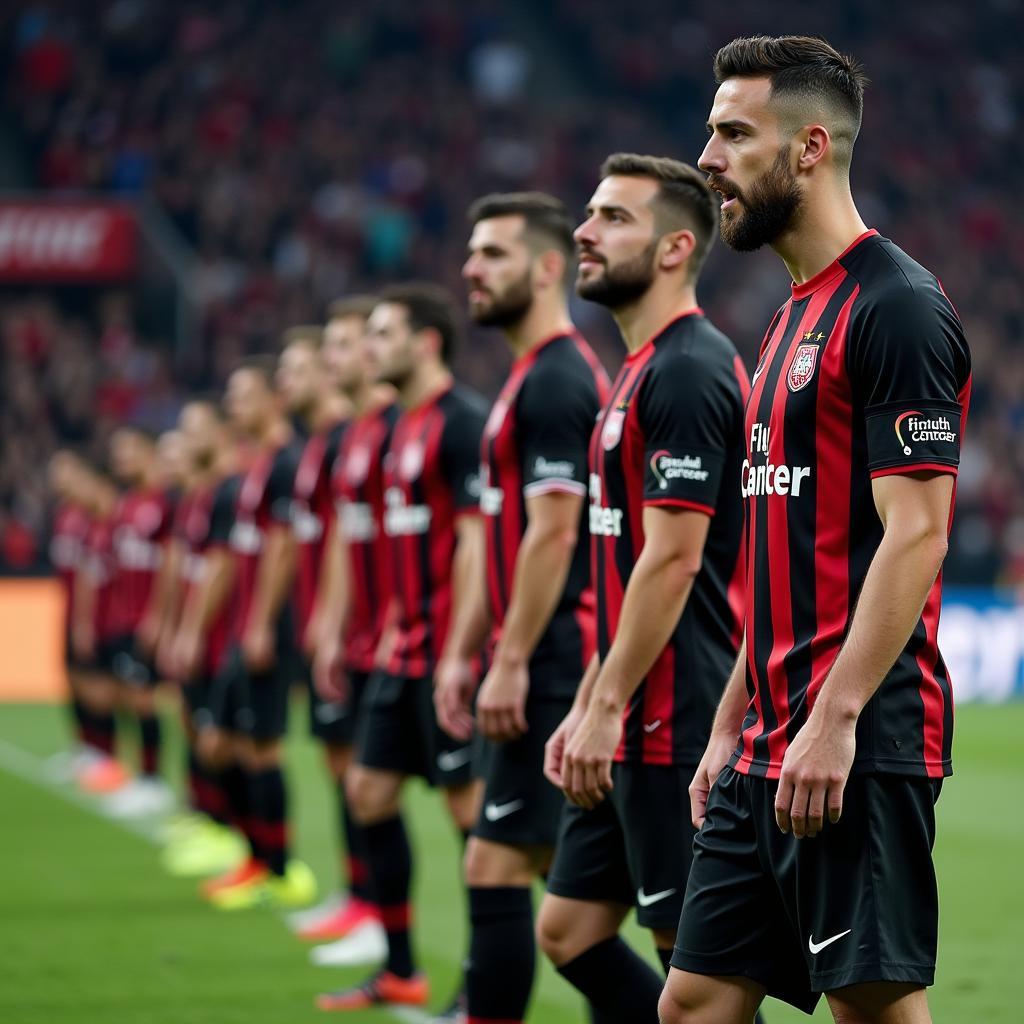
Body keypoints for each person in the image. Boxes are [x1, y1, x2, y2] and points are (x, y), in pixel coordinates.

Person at [660, 36, 972, 1024]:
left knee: (872, 1008)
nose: (706, 157)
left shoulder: (898, 308)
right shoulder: (788, 314)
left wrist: (832, 720)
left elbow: (917, 533)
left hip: (857, 735)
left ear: (808, 148)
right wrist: (726, 724)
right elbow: (775, 552)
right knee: (695, 1001)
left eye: (732, 132)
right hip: (766, 734)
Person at [534, 154, 748, 1023]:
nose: (584, 230)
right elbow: (625, 568)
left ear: (673, 249)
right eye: (590, 214)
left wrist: (605, 704)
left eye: (613, 218)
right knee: (568, 928)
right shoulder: (636, 368)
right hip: (626, 707)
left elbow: (673, 560)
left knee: (697, 982)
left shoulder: (690, 370)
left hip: (675, 716)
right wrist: (591, 697)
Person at [433, 191, 609, 1024]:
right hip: (534, 659)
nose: (472, 268)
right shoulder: (525, 378)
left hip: (554, 664)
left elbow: (553, 535)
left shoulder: (560, 381)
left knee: (507, 874)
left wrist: (506, 659)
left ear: (548, 269)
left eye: (494, 254)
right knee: (558, 899)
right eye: (472, 253)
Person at [316, 284, 487, 1013]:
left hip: (447, 659)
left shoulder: (460, 423)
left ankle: (489, 980)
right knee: (367, 790)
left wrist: (462, 649)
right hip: (398, 652)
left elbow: (477, 542)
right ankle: (400, 967)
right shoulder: (389, 433)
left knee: (477, 830)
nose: (366, 349)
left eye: (381, 334)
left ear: (424, 342)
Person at [298, 297, 395, 966]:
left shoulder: (394, 429)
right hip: (359, 640)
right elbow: (342, 541)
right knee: (351, 777)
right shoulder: (347, 438)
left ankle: (384, 925)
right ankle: (364, 904)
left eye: (341, 346)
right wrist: (330, 623)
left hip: (405, 644)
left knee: (468, 815)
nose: (335, 361)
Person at [203, 357, 316, 910]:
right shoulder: (255, 465)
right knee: (225, 742)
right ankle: (255, 855)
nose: (232, 406)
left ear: (273, 401)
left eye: (243, 395)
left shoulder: (286, 464)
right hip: (245, 624)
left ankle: (281, 866)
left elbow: (284, 546)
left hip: (267, 625)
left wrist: (263, 623)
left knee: (262, 747)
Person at [159, 400, 246, 879]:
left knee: (228, 741)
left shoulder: (230, 492)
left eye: (196, 430)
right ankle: (215, 825)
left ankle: (236, 836)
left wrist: (190, 630)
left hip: (223, 637)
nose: (187, 440)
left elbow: (224, 567)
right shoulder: (199, 497)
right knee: (199, 728)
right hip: (202, 635)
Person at [100, 427, 177, 818]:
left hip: (152, 619)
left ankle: (154, 780)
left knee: (152, 699)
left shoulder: (165, 502)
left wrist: (159, 616)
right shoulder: (126, 504)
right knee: (132, 695)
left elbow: (170, 563)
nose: (121, 460)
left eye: (128, 450)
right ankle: (143, 774)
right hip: (126, 617)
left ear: (149, 452)